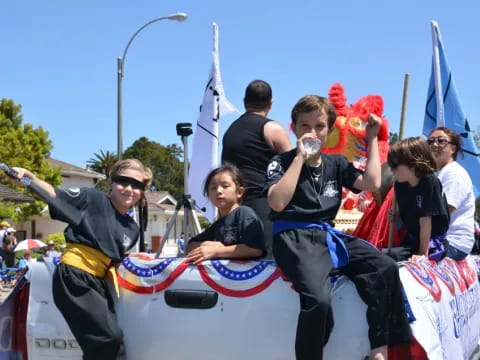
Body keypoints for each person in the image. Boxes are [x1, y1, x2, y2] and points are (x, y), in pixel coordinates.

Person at [265, 95, 411, 360]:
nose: (312, 132)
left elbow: (372, 183)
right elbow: (277, 203)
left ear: (329, 131)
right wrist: (299, 158)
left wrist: (373, 139)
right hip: (293, 236)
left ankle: (379, 348)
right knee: (319, 301)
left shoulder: (336, 164)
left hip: (326, 233)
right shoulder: (281, 162)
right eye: (304, 126)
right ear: (294, 128)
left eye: (319, 126)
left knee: (385, 267)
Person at [12, 159, 152, 360]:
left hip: (99, 282)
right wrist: (30, 178)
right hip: (74, 275)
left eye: (137, 185)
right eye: (123, 181)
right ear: (111, 183)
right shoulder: (93, 199)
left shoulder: (132, 228)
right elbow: (54, 194)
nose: (129, 189)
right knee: (107, 339)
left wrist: (130, 258)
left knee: (115, 347)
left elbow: (111, 256)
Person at [222, 80, 292, 257]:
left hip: (234, 207)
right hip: (263, 206)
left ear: (244, 102)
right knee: (266, 264)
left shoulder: (230, 131)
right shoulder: (273, 129)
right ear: (270, 103)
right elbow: (293, 168)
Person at [186, 164, 266, 264]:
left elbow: (255, 249)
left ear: (239, 192)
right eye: (213, 188)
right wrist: (204, 244)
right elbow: (189, 246)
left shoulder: (244, 213)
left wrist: (216, 251)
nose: (219, 191)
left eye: (225, 186)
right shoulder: (216, 225)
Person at [387, 137, 451, 262]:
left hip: (431, 243)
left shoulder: (429, 182)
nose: (391, 169)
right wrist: (396, 217)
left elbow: (425, 220)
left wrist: (422, 254)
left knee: (391, 257)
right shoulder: (400, 184)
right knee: (384, 255)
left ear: (412, 165)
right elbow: (402, 214)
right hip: (412, 239)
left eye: (395, 165)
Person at [427, 127, 476, 260]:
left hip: (452, 243)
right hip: (435, 238)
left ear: (453, 149)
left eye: (441, 141)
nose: (434, 144)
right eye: (430, 141)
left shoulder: (454, 173)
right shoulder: (435, 173)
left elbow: (443, 211)